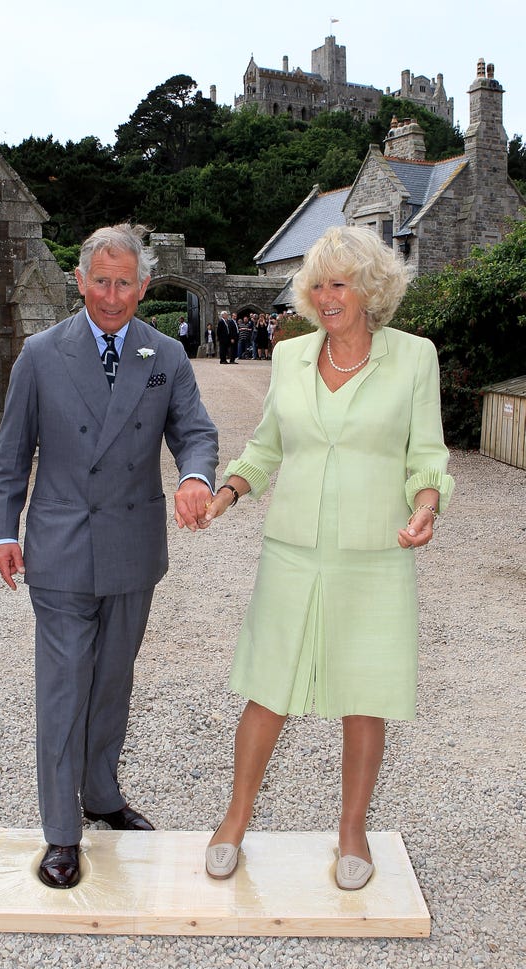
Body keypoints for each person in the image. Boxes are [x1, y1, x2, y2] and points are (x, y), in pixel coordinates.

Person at [202, 226, 454, 890]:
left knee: (364, 694)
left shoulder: (414, 357)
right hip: (292, 550)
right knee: (268, 688)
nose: (326, 294)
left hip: (375, 552)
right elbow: (264, 449)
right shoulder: (289, 357)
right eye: (317, 284)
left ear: (371, 288)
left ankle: (352, 831)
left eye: (340, 282)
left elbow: (426, 456)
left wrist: (426, 505)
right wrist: (228, 492)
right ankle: (233, 819)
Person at [0, 223, 218, 890]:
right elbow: (11, 459)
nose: (113, 296)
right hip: (59, 551)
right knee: (64, 690)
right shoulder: (40, 354)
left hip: (133, 548)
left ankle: (101, 795)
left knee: (112, 682)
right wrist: (3, 532)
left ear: (144, 285)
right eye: (101, 282)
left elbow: (195, 432)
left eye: (126, 283)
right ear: (81, 281)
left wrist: (198, 478)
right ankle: (62, 833)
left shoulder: (165, 354)